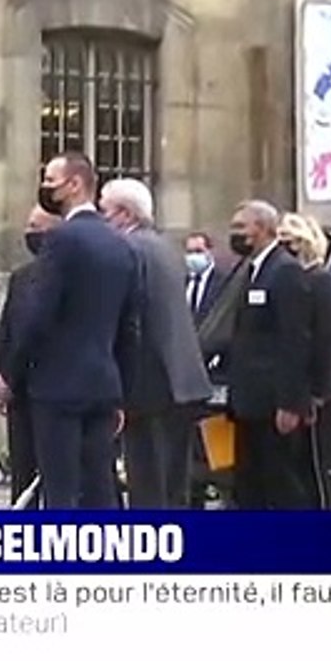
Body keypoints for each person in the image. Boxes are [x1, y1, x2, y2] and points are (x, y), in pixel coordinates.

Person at [7, 152, 140, 509]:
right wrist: (122, 390)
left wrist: (12, 373)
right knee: (99, 485)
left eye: (52, 181)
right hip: (103, 384)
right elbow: (129, 327)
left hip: (59, 385)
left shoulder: (62, 240)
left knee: (60, 488)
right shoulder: (122, 245)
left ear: (76, 184)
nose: (47, 188)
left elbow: (38, 314)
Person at [99, 179, 213, 508]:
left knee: (148, 480)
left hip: (148, 382)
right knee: (173, 480)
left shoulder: (129, 249)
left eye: (104, 210)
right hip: (180, 380)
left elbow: (130, 319)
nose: (100, 218)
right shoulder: (164, 247)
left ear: (123, 214)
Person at [226, 199, 316, 510]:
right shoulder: (252, 270)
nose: (234, 233)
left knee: (280, 483)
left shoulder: (285, 272)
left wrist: (290, 402)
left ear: (263, 229)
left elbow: (295, 340)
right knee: (249, 483)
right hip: (249, 401)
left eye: (241, 227)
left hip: (272, 403)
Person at [0, 205, 60, 507]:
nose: (31, 233)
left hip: (51, 386)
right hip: (19, 392)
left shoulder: (63, 276)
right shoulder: (20, 277)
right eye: (29, 226)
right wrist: (0, 377)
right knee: (22, 469)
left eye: (38, 227)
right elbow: (8, 329)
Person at [277, 213, 331, 414]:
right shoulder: (295, 280)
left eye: (285, 242)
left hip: (318, 395)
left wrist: (315, 394)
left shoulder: (322, 283)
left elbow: (327, 339)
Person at [184, 231, 227, 325]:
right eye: (189, 252)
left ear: (210, 251)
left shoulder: (224, 282)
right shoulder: (181, 282)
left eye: (199, 251)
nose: (193, 256)